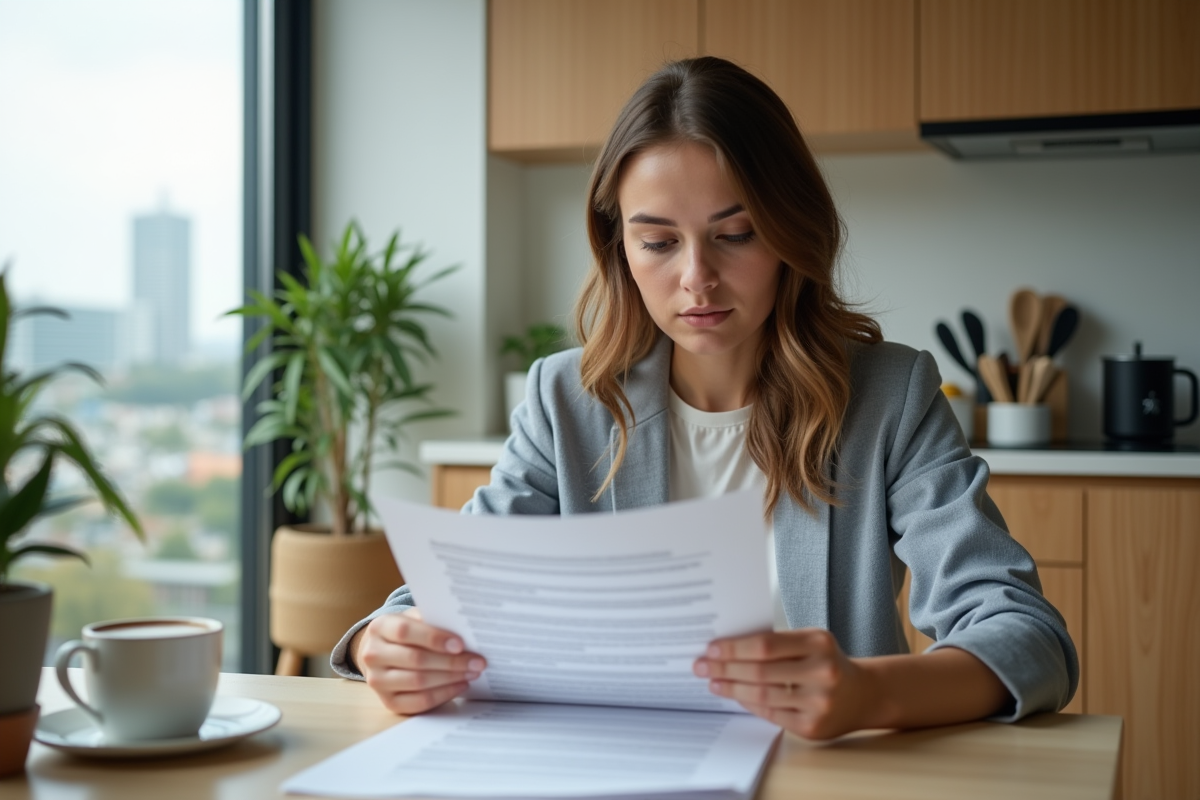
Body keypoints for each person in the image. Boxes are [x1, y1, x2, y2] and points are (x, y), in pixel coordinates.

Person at [331, 57, 1077, 740]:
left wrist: (868, 694)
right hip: (610, 769)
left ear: (791, 231)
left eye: (738, 233)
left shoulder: (889, 396)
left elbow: (1027, 635)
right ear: (618, 246)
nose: (697, 278)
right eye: (658, 242)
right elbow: (445, 603)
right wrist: (383, 643)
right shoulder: (568, 399)